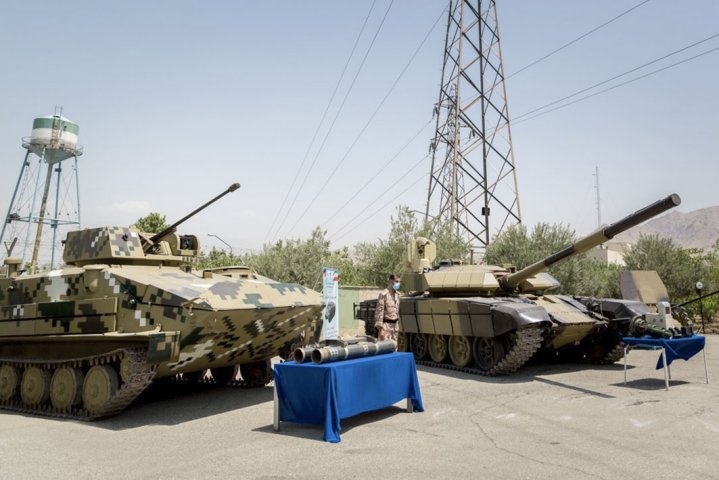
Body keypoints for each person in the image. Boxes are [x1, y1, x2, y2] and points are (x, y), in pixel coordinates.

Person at [375, 273, 401, 342]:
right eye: (396, 281)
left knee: (394, 349)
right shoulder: (384, 294)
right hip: (386, 327)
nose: (398, 284)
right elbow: (379, 312)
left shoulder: (397, 295)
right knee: (385, 349)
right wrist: (381, 329)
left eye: (399, 282)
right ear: (390, 281)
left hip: (395, 327)